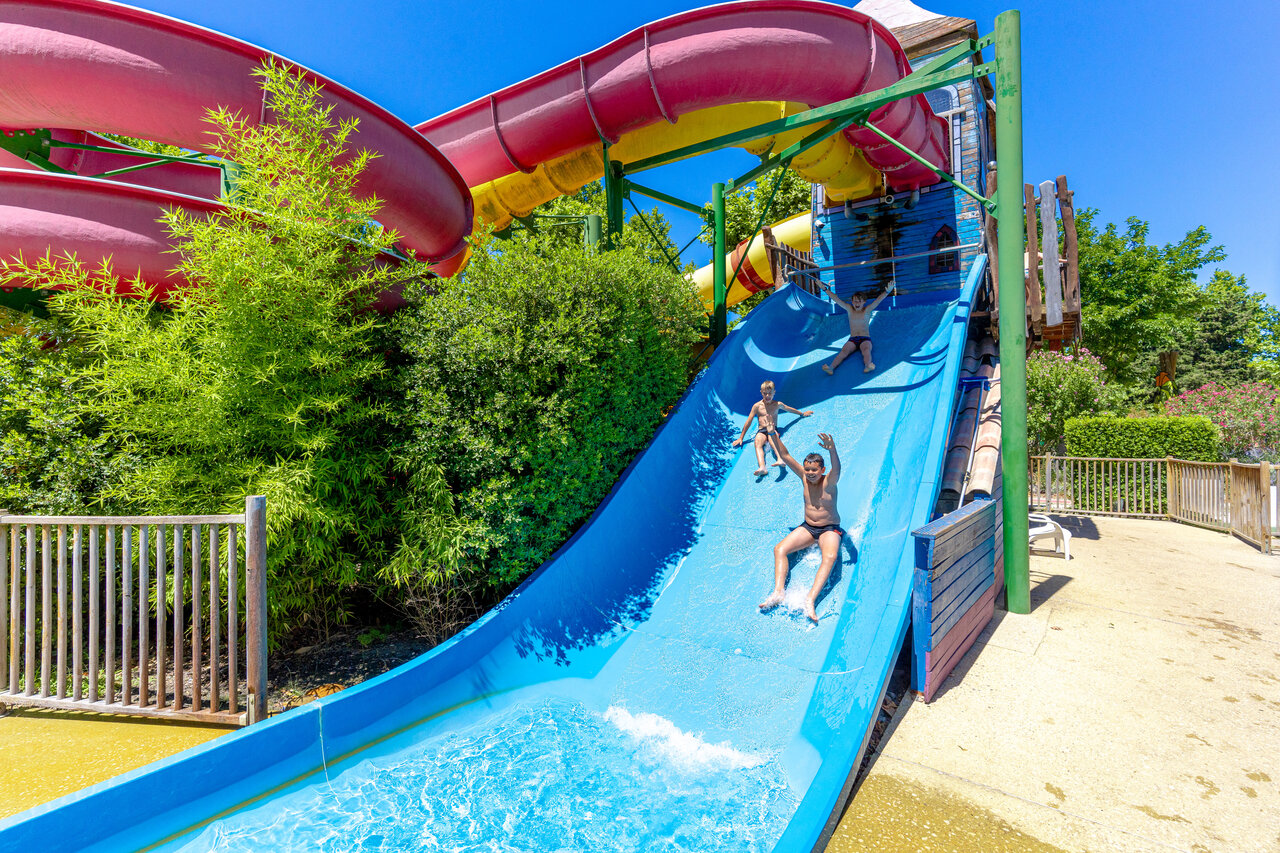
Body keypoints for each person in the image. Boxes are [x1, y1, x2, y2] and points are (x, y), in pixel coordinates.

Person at [759, 432, 842, 624]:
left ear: (822, 470)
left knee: (829, 557)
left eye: (814, 470)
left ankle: (810, 599)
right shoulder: (804, 478)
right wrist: (772, 434)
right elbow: (786, 455)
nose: (810, 473)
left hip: (829, 529)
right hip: (808, 528)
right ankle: (779, 591)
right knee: (779, 549)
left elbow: (837, 468)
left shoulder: (829, 482)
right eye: (807, 470)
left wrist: (832, 450)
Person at [732, 380, 813, 476]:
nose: (767, 396)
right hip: (762, 430)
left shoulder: (777, 404)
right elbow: (748, 422)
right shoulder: (757, 406)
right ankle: (762, 467)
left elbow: (789, 409)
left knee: (771, 438)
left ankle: (780, 459)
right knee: (757, 441)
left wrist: (802, 414)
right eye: (764, 393)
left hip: (773, 429)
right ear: (761, 392)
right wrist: (741, 438)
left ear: (774, 392)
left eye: (769, 393)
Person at [819, 282, 891, 374]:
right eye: (855, 301)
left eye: (859, 301)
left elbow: (877, 301)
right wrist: (825, 289)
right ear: (852, 302)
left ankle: (868, 365)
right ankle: (831, 368)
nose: (857, 303)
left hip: (865, 339)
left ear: (864, 302)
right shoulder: (849, 309)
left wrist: (887, 291)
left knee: (866, 350)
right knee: (843, 351)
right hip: (852, 339)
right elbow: (836, 299)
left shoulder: (867, 310)